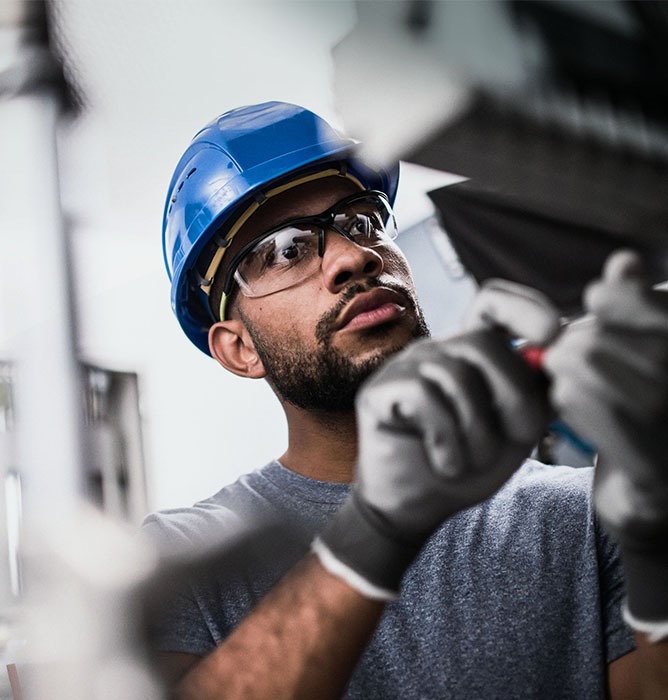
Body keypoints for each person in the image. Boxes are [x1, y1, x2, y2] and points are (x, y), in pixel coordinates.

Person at [142, 101, 668, 699]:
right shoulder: (181, 560)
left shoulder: (587, 512)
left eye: (362, 222)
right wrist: (374, 532)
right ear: (239, 348)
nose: (352, 256)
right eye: (285, 249)